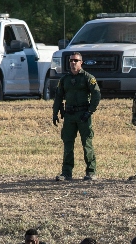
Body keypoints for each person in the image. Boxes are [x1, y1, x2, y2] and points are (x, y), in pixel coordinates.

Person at [52, 52, 101, 181]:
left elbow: (96, 95)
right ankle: (66, 172)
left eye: (76, 60)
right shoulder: (65, 79)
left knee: (87, 143)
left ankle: (91, 171)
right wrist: (55, 112)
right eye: (71, 61)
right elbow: (58, 96)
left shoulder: (87, 78)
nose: (73, 63)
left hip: (83, 114)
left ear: (81, 62)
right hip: (69, 115)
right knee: (68, 143)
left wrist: (90, 111)